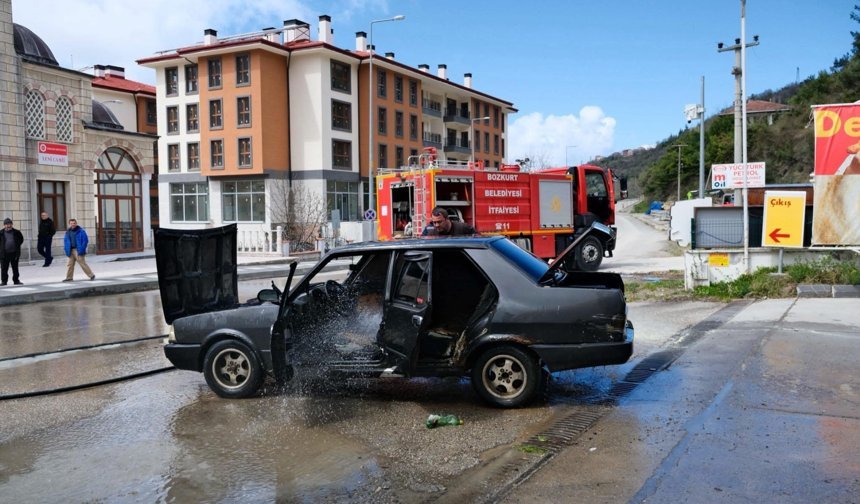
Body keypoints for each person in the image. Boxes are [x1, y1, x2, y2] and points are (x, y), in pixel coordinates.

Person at [0, 217, 25, 286]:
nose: (8, 225)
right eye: (7, 224)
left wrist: (16, 245)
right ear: (4, 225)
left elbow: (21, 239)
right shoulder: (1, 233)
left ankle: (16, 280)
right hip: (4, 254)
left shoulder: (17, 232)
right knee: (4, 269)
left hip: (14, 253)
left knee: (15, 268)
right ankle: (4, 281)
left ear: (12, 224)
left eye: (9, 224)